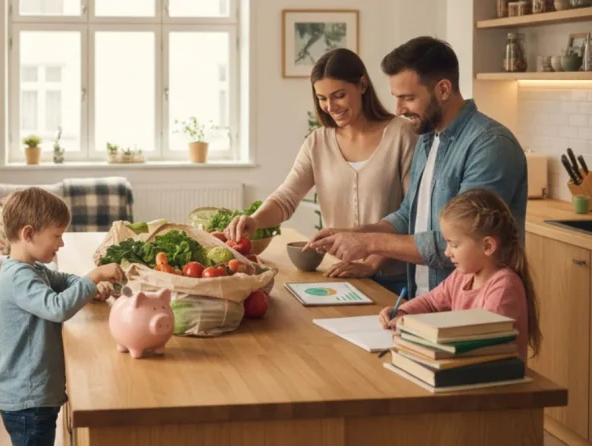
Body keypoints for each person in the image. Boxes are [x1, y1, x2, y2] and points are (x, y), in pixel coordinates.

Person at [310, 36, 528, 298]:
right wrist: (351, 234)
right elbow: (406, 215)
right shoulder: (427, 139)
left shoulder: (490, 145)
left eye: (408, 98)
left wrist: (366, 242)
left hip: (477, 310)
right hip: (428, 299)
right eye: (396, 97)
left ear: (443, 90)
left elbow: (463, 241)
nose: (398, 109)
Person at [225, 48, 417, 294]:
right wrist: (255, 220)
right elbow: (287, 197)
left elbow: (411, 213)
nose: (330, 106)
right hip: (340, 275)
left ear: (362, 85)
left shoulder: (402, 134)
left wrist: (371, 263)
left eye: (338, 95)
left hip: (394, 280)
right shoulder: (318, 142)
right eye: (322, 98)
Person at [0, 187, 123, 446]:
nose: (61, 243)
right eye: (57, 235)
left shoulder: (34, 268)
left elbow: (65, 280)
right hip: (29, 400)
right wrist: (94, 277)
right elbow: (57, 308)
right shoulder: (18, 277)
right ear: (28, 234)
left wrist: (90, 288)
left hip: (36, 396)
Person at [378, 189, 541, 364]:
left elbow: (483, 343)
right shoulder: (461, 277)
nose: (447, 252)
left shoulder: (504, 287)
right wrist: (403, 311)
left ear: (487, 246)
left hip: (495, 383)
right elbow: (431, 302)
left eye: (454, 244)